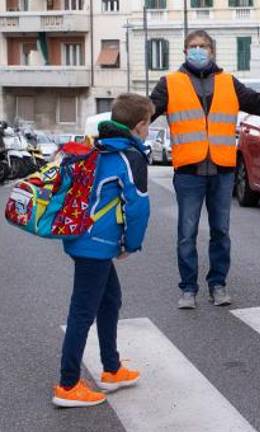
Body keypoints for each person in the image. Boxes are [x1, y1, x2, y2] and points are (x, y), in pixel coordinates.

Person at [150, 30, 260, 309]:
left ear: (212, 51)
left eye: (203, 46)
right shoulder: (169, 84)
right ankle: (188, 289)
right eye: (193, 46)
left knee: (220, 231)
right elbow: (145, 112)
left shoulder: (228, 82)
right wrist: (120, 129)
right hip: (189, 171)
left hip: (222, 170)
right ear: (184, 52)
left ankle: (218, 285)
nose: (198, 50)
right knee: (186, 234)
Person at [52, 94, 153, 408]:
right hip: (96, 244)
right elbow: (138, 207)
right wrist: (130, 244)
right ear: (140, 126)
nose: (149, 130)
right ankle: (68, 385)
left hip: (83, 237)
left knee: (110, 300)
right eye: (149, 125)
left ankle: (112, 368)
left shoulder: (98, 147)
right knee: (82, 312)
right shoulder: (129, 156)